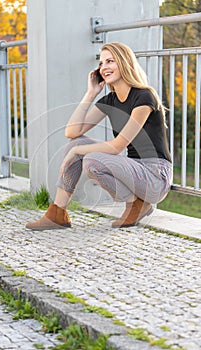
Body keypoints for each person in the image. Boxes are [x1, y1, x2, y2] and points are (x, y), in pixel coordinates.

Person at [26, 42, 172, 231]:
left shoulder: (144, 97)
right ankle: (58, 212)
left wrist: (78, 152)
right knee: (75, 143)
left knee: (92, 160)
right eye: (101, 63)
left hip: (155, 176)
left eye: (110, 61)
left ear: (124, 62)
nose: (104, 67)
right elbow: (72, 132)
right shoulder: (109, 100)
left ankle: (138, 203)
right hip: (134, 170)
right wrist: (91, 93)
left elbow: (118, 146)